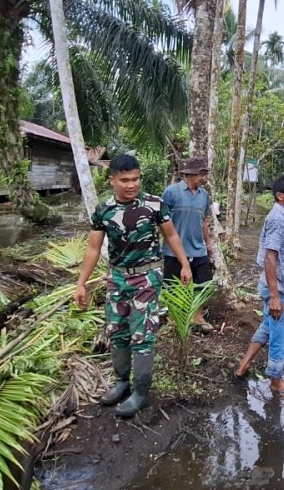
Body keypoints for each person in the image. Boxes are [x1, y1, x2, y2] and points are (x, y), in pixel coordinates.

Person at [74, 154, 191, 418]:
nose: (131, 185)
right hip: (117, 277)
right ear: (112, 180)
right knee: (116, 330)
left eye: (136, 179)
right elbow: (93, 248)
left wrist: (184, 264)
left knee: (142, 334)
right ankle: (121, 382)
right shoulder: (104, 210)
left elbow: (171, 235)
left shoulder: (154, 204)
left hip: (147, 276)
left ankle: (140, 391)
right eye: (125, 180)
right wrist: (81, 284)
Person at [234, 175, 284, 395]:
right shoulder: (279, 219)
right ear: (280, 196)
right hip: (277, 287)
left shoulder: (281, 216)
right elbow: (270, 256)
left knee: (267, 326)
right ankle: (275, 381)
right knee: (280, 336)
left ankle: (243, 366)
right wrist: (275, 296)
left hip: (275, 284)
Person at [162, 156, 215, 333]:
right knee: (173, 285)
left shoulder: (204, 195)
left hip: (198, 249)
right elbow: (162, 221)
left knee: (203, 284)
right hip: (173, 251)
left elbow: (204, 222)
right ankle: (173, 318)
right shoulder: (171, 192)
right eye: (201, 174)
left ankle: (197, 316)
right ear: (190, 174)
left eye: (205, 174)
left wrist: (208, 243)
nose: (204, 178)